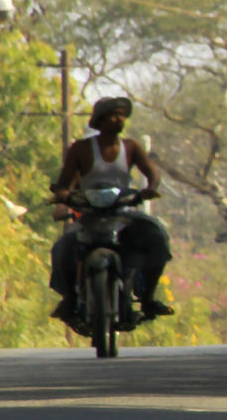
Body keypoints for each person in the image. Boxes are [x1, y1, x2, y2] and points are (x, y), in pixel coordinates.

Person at [49, 96, 175, 321]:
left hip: (122, 212)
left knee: (157, 237)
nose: (120, 120)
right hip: (90, 213)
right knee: (63, 248)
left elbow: (152, 172)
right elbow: (65, 181)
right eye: (114, 115)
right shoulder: (81, 148)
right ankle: (69, 299)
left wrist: (150, 188)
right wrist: (62, 195)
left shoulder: (131, 146)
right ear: (100, 119)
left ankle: (147, 298)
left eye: (123, 115)